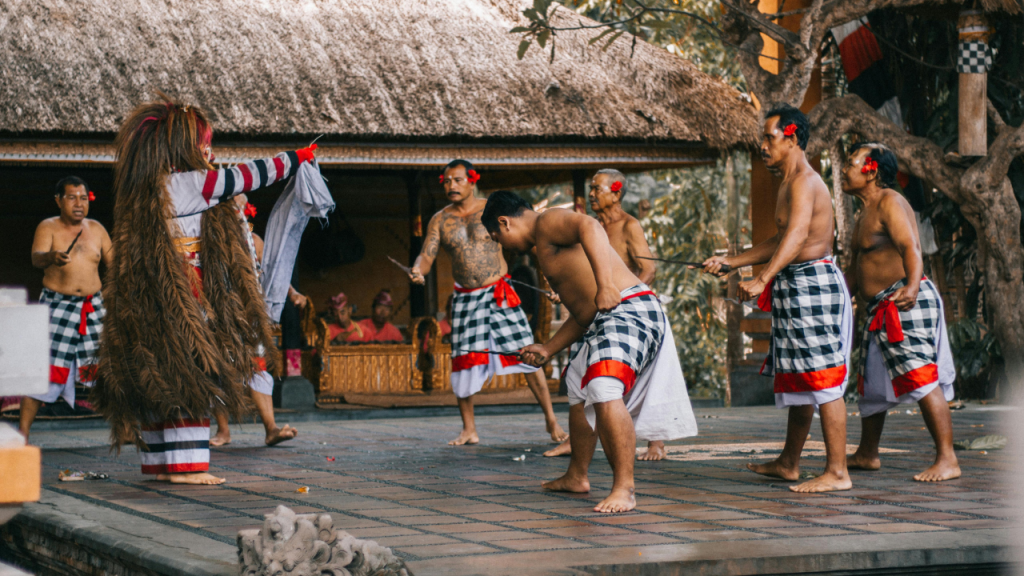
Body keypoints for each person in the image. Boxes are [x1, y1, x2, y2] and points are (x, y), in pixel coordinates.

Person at [93, 93, 317, 485]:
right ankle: (188, 468)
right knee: (190, 372)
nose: (210, 149)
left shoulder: (147, 185)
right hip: (185, 295)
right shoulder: (196, 182)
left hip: (149, 294)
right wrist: (297, 157)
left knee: (158, 372)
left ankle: (161, 464)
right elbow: (250, 175)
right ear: (187, 146)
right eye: (204, 142)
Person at [483, 191, 697, 513]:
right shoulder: (544, 248)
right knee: (577, 384)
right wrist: (549, 348)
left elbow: (590, 227)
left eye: (496, 238)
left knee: (603, 385)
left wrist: (606, 284)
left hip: (629, 308)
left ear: (504, 223)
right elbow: (584, 314)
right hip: (601, 317)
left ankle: (624, 488)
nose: (501, 246)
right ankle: (577, 476)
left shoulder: (547, 222)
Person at [703, 104, 853, 493]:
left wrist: (762, 278)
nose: (763, 146)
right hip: (795, 286)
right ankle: (789, 462)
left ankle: (837, 472)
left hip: (813, 286)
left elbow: (799, 235)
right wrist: (732, 262)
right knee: (804, 378)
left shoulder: (805, 180)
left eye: (769, 138)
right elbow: (779, 239)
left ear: (792, 138)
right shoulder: (788, 182)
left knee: (822, 378)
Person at [408, 159, 567, 446]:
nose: (451, 186)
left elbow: (534, 243)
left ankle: (551, 420)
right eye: (446, 181)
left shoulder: (491, 211)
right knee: (464, 358)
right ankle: (469, 428)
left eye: (457, 180)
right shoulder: (439, 220)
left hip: (499, 291)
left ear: (471, 180)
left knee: (527, 351)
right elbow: (427, 255)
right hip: (465, 298)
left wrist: (554, 282)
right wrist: (418, 270)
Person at [841, 143, 960, 482]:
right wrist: (835, 299)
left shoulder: (891, 202)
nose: (846, 169)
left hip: (904, 300)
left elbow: (911, 246)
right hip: (880, 307)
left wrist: (911, 286)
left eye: (852, 163)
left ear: (872, 170)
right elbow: (855, 268)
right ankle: (867, 453)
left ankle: (948, 459)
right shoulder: (865, 211)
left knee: (920, 377)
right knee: (873, 383)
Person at [545, 169, 665, 460]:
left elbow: (648, 268)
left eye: (598, 189)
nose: (592, 194)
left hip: (630, 308)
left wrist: (618, 296)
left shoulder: (629, 225)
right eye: (591, 188)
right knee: (580, 374)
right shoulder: (589, 225)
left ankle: (656, 441)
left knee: (643, 377)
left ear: (616, 192)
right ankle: (578, 441)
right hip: (595, 310)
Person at [20, 177, 112, 442]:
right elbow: (36, 258)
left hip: (93, 307)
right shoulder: (47, 227)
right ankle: (23, 433)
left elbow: (115, 263)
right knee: (44, 368)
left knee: (106, 368)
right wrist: (51, 257)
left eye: (83, 198)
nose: (78, 204)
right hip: (57, 306)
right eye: (72, 198)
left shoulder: (97, 229)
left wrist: (108, 293)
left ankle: (124, 429)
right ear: (58, 200)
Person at [210, 194, 303, 448]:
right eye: (233, 204)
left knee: (258, 369)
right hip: (219, 316)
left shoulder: (255, 242)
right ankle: (223, 431)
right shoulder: (213, 238)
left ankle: (271, 429)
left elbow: (273, 273)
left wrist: (293, 293)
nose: (239, 208)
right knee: (217, 371)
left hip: (250, 320)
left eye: (242, 204)